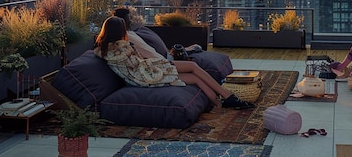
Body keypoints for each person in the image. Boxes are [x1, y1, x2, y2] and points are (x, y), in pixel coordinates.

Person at [94, 16, 255, 109]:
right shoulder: (125, 46)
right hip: (148, 75)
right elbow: (140, 62)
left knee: (195, 78)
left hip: (144, 74)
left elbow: (132, 65)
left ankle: (221, 103)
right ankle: (229, 98)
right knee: (192, 66)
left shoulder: (103, 50)